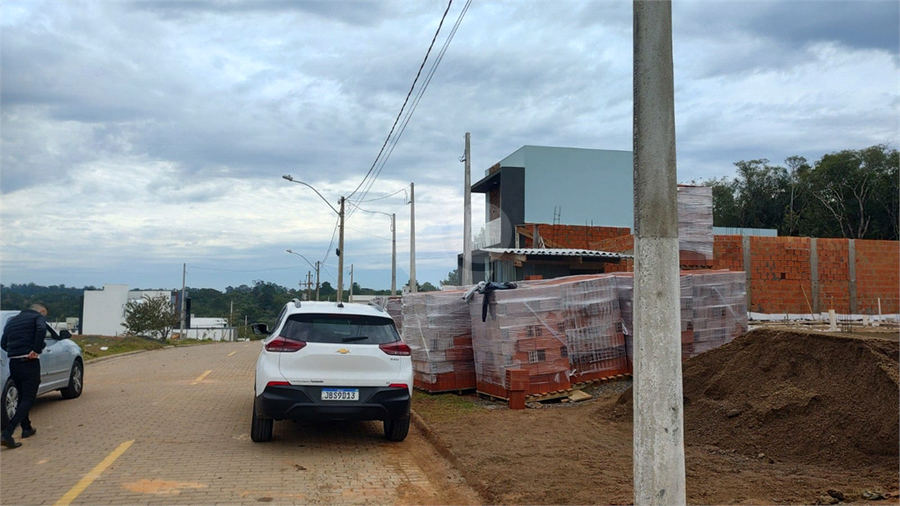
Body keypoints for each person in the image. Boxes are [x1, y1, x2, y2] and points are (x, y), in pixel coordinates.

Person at [1, 303, 48, 449]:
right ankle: (7, 433)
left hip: (14, 363)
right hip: (29, 362)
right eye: (44, 315)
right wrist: (36, 349)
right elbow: (41, 329)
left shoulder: (13, 321)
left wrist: (14, 351)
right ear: (40, 311)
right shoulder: (37, 318)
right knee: (28, 398)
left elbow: (3, 343)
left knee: (22, 395)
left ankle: (27, 428)